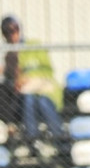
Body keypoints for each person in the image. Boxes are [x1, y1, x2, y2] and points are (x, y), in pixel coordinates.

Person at [1, 15, 66, 149]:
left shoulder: (30, 46)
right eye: (9, 32)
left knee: (41, 100)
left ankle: (59, 140)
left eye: (16, 29)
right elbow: (10, 76)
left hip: (42, 88)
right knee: (28, 97)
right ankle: (33, 139)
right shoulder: (9, 52)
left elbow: (47, 71)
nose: (14, 35)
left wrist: (27, 78)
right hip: (22, 96)